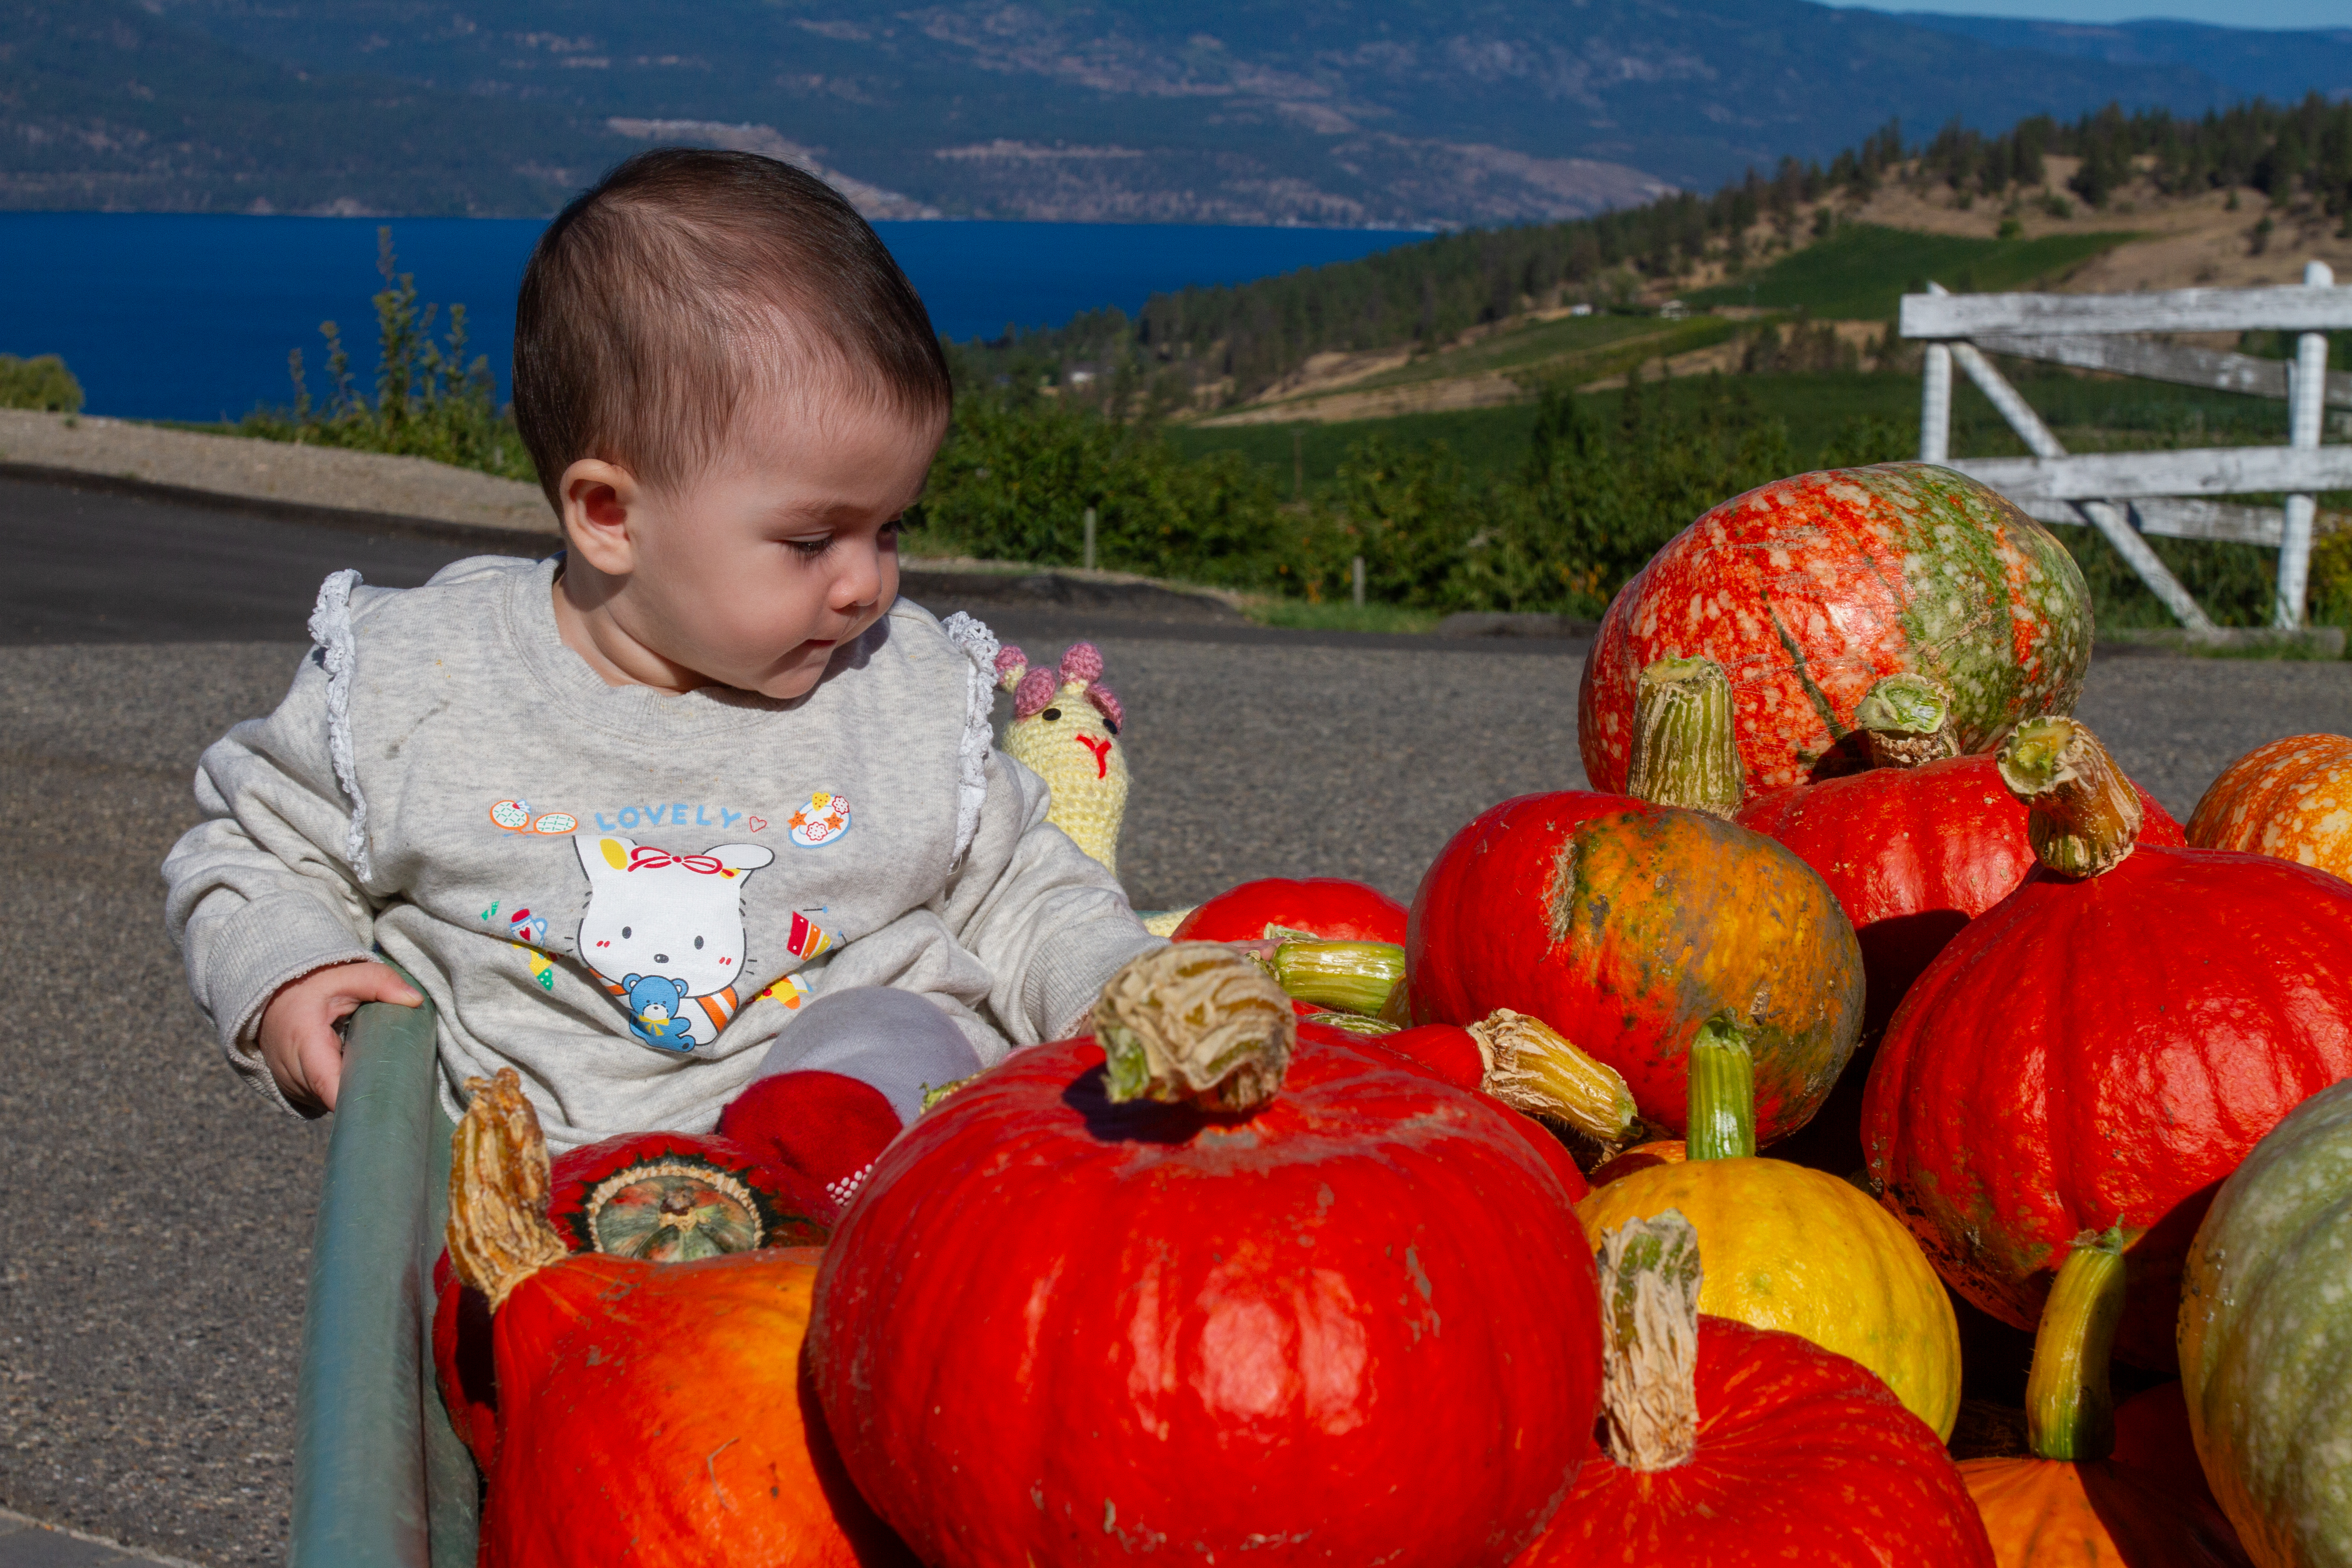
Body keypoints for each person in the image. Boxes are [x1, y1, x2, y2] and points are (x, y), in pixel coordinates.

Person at [162, 148, 1161, 1209]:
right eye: (815, 538)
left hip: (867, 1210)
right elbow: (254, 845)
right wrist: (287, 974)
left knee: (895, 1034)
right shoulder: (424, 682)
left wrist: (1116, 991)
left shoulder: (896, 688)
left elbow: (1021, 886)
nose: (867, 583)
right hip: (542, 1221)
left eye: (891, 526)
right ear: (609, 517)